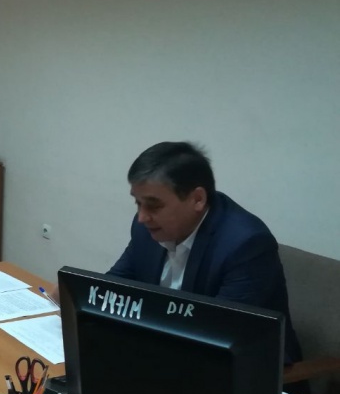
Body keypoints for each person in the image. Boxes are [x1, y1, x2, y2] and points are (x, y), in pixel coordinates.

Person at [107, 141, 302, 363]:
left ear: (197, 199)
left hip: (243, 369)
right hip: (166, 354)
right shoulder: (147, 228)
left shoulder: (246, 245)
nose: (142, 217)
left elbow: (218, 332)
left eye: (154, 205)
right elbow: (113, 289)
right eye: (138, 203)